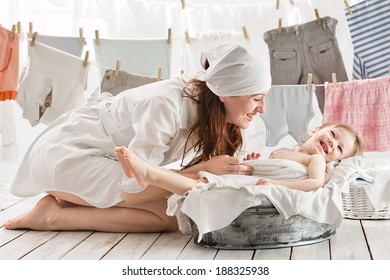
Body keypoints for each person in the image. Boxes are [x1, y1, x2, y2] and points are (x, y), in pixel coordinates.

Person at [4, 43, 271, 232]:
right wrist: (203, 170)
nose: (262, 108)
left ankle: (72, 201)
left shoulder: (209, 109)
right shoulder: (165, 106)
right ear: (225, 93)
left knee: (169, 214)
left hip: (98, 159)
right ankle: (53, 217)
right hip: (68, 155)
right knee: (169, 217)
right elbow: (134, 190)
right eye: (256, 98)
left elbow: (151, 174)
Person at [108, 121, 364, 202]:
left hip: (254, 185)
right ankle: (146, 176)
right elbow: (265, 162)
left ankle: (150, 173)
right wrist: (256, 159)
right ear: (315, 129)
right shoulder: (286, 149)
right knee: (198, 178)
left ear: (336, 160)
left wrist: (278, 187)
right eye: (332, 134)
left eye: (339, 148)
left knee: (203, 185)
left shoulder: (315, 160)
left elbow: (314, 184)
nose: (332, 143)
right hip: (248, 175)